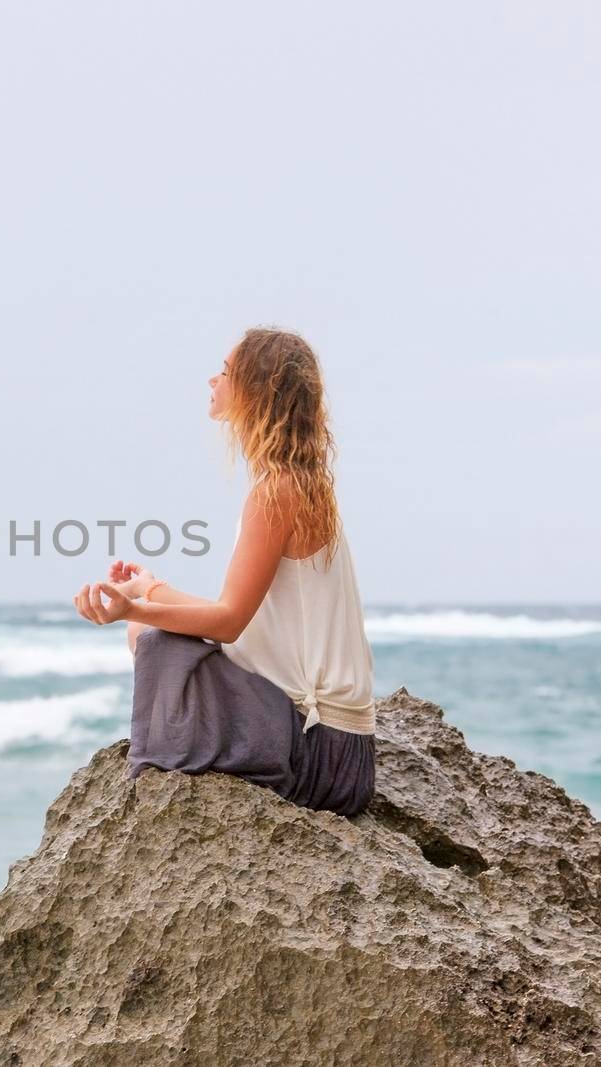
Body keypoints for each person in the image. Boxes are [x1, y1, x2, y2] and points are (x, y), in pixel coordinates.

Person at [71, 327, 377, 817]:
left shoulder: (277, 491)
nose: (212, 378)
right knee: (149, 623)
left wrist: (137, 608)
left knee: (152, 638)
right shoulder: (302, 483)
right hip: (344, 756)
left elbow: (230, 622)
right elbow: (244, 618)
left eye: (227, 371)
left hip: (318, 756)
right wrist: (150, 589)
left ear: (256, 391)